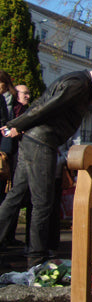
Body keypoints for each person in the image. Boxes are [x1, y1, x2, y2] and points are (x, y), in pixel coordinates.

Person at [0, 66, 92, 268]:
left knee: (16, 196)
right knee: (43, 202)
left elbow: (44, 105)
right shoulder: (79, 85)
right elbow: (47, 107)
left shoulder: (79, 82)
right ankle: (37, 258)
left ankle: (34, 254)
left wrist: (20, 125)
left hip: (35, 139)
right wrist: (17, 124)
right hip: (42, 141)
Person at [0, 83, 30, 247]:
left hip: (17, 158)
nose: (27, 96)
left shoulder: (24, 111)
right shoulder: (12, 111)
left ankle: (9, 236)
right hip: (8, 157)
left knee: (13, 198)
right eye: (24, 93)